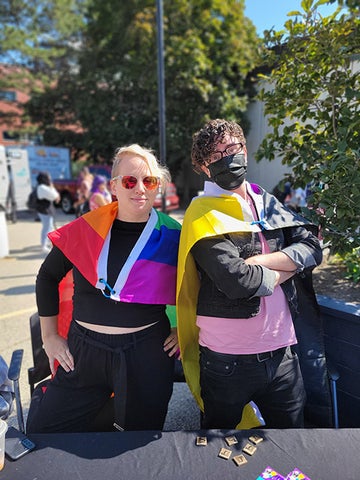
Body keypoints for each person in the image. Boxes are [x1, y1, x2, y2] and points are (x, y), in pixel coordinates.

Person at [176, 119, 324, 430]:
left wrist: (265, 260)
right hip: (226, 359)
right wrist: (289, 266)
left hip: (282, 353)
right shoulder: (202, 213)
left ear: (245, 150)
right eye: (214, 156)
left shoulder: (267, 203)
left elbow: (312, 246)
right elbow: (239, 282)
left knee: (291, 444)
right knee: (221, 447)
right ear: (204, 168)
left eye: (232, 148)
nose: (226, 158)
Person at [26, 144, 181, 433]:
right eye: (129, 181)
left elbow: (195, 289)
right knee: (43, 431)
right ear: (114, 186)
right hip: (84, 351)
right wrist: (49, 336)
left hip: (146, 352)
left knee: (137, 440)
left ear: (157, 186)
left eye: (149, 181)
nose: (140, 189)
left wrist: (184, 329)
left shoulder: (174, 236)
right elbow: (47, 276)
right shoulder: (87, 228)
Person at [35, 172, 60, 253]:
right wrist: (52, 187)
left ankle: (48, 243)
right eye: (48, 178)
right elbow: (55, 196)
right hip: (44, 210)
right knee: (47, 227)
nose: (50, 180)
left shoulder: (42, 187)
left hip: (45, 210)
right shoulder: (42, 187)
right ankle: (44, 245)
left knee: (49, 227)